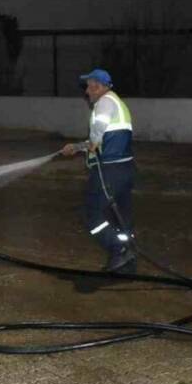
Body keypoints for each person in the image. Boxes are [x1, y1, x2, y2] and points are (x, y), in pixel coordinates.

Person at [59, 69, 136, 272]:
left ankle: (119, 250)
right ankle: (127, 251)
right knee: (121, 215)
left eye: (89, 86)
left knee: (91, 213)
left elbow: (98, 133)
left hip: (109, 169)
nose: (86, 91)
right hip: (125, 168)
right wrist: (76, 147)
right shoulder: (116, 102)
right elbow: (101, 139)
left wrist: (91, 142)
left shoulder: (105, 102)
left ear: (98, 86)